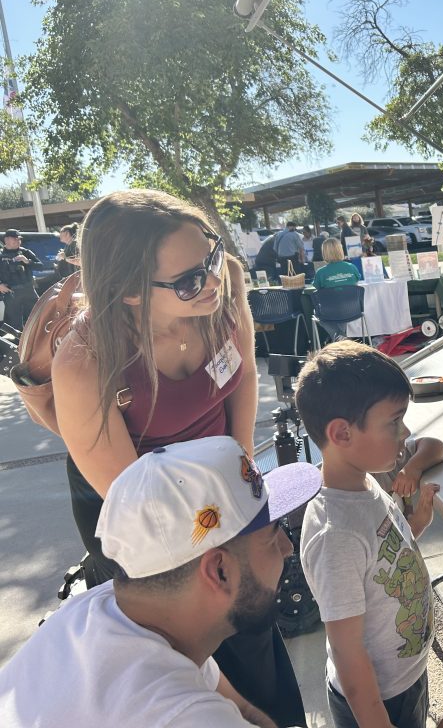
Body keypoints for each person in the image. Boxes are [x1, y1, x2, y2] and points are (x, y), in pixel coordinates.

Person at [0, 436, 443, 728]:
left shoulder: (107, 608)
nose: (289, 546)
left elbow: (228, 696)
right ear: (217, 570)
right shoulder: (176, 717)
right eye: (273, 535)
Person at [50, 189, 305, 727]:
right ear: (128, 292)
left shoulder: (221, 286)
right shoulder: (85, 361)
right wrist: (224, 533)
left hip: (219, 472)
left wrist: (240, 479)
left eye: (210, 256)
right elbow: (142, 508)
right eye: (190, 279)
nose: (213, 281)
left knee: (254, 622)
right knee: (188, 648)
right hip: (142, 506)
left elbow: (243, 377)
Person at [294, 341, 443, 728]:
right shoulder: (335, 536)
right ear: (343, 433)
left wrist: (416, 527)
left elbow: (379, 558)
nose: (406, 431)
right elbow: (349, 657)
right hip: (377, 700)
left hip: (405, 677)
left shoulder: (364, 482)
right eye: (394, 421)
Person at [312, 239, 363, 343]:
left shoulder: (321, 272)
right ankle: (342, 340)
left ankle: (341, 340)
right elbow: (356, 281)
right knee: (340, 311)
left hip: (331, 310)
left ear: (324, 252)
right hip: (352, 308)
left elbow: (318, 289)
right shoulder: (351, 267)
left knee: (318, 314)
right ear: (340, 250)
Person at [0, 228, 43, 329]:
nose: (18, 241)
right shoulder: (1, 255)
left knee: (37, 318)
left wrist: (27, 261)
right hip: (11, 293)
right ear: (6, 240)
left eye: (19, 239)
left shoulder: (25, 252)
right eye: (15, 239)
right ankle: (18, 343)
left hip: (29, 291)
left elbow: (40, 266)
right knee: (15, 324)